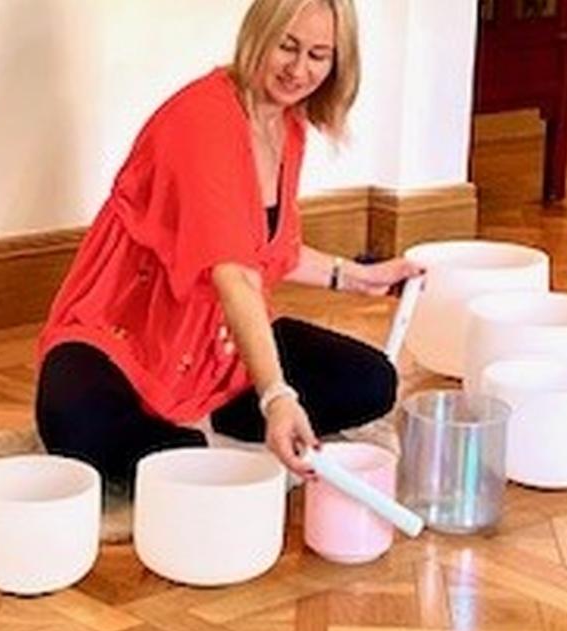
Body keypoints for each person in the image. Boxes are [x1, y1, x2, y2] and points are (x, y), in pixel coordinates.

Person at [35, 0, 420, 513]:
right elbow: (234, 273)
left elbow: (270, 250)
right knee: (75, 421)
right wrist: (277, 395)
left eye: (318, 55)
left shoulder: (287, 126)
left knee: (373, 381)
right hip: (123, 337)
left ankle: (207, 431)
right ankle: (199, 443)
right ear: (257, 35)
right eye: (287, 46)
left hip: (217, 347)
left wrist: (355, 276)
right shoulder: (202, 120)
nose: (298, 69)